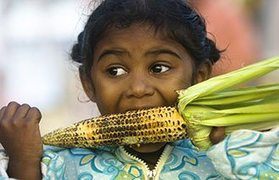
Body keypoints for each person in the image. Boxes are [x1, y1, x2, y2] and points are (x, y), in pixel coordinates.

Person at [0, 0, 278, 179]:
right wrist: (25, 163)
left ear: (200, 77)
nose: (138, 88)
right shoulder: (58, 166)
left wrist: (237, 154)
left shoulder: (228, 157)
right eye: (115, 71)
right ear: (89, 84)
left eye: (159, 68)